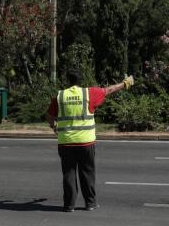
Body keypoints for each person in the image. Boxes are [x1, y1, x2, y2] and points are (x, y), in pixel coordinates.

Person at [47, 70, 134, 212]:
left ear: (67, 80)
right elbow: (109, 90)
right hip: (86, 142)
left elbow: (49, 116)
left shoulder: (60, 96)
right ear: (81, 80)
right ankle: (90, 203)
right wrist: (125, 84)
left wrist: (54, 127)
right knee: (87, 172)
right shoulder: (89, 93)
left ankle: (69, 205)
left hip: (66, 142)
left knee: (69, 173)